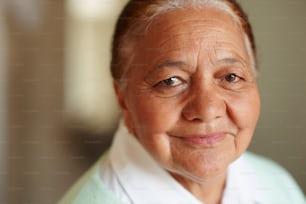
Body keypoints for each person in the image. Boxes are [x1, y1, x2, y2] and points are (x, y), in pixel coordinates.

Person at [59, 0, 306, 203]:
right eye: (170, 81)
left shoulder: (277, 185)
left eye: (231, 77)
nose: (207, 110)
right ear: (123, 99)